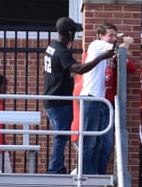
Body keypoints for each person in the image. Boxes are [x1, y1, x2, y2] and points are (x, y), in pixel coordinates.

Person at [43, 17, 114, 175]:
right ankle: (55, 169)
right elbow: (79, 69)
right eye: (74, 32)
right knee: (61, 137)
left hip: (52, 99)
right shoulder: (61, 51)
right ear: (69, 33)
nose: (75, 36)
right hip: (58, 100)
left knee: (63, 135)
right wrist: (101, 57)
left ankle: (58, 168)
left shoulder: (52, 47)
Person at [81, 23, 122, 176]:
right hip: (91, 98)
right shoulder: (97, 45)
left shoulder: (105, 49)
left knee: (103, 143)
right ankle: (87, 174)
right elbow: (118, 51)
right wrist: (126, 43)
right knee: (91, 141)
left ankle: (98, 174)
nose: (113, 39)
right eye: (110, 35)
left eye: (115, 35)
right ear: (101, 35)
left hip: (101, 100)